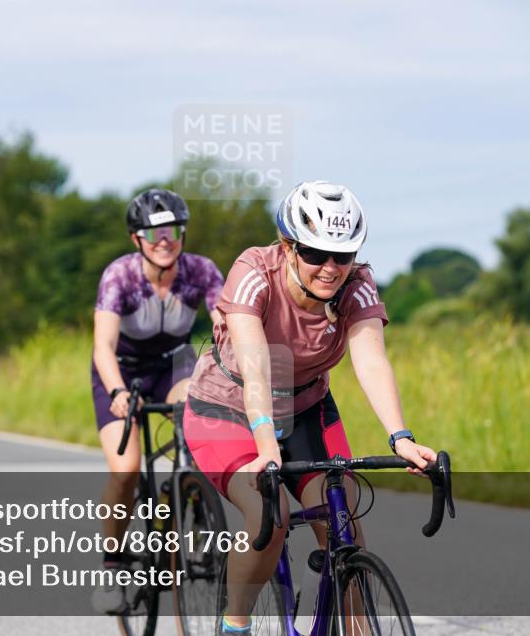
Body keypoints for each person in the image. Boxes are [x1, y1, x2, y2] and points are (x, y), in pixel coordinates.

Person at [181, 181, 436, 635]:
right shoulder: (255, 271)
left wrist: (401, 437)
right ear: (289, 246)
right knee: (268, 509)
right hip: (230, 408)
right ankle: (234, 624)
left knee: (345, 522)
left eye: (344, 255)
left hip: (305, 406)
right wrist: (266, 443)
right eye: (316, 253)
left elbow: (371, 359)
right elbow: (257, 367)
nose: (331, 267)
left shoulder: (355, 285)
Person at [90, 188, 225, 613]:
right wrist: (116, 391)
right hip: (122, 370)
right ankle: (112, 567)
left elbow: (225, 323)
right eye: (153, 234)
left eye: (173, 231)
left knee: (197, 422)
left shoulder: (201, 271)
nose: (164, 241)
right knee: (126, 469)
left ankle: (195, 504)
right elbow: (103, 347)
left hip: (173, 366)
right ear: (136, 240)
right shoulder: (120, 277)